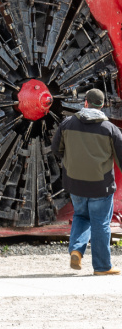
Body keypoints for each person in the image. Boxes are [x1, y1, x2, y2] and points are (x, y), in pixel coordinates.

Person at [52, 88, 122, 275]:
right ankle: (102, 267)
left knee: (81, 217)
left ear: (85, 103)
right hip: (101, 185)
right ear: (103, 106)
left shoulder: (67, 124)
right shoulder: (110, 130)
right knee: (101, 224)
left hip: (75, 183)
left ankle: (76, 250)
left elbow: (56, 149)